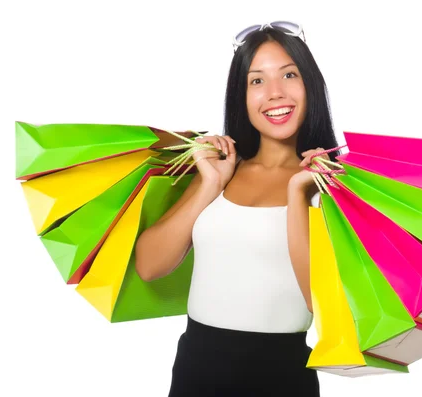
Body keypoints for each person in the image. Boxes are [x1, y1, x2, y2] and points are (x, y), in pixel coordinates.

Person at [134, 21, 342, 396]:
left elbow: (320, 301)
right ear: (241, 96)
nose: (274, 93)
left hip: (281, 375)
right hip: (196, 369)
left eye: (289, 75)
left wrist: (299, 194)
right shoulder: (221, 169)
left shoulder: (329, 182)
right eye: (257, 81)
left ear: (310, 83)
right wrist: (210, 184)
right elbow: (149, 266)